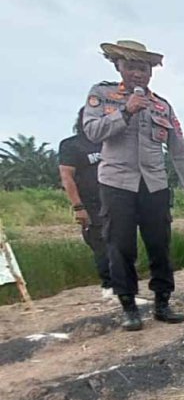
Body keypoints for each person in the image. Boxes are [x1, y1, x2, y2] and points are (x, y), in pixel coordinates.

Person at [83, 40, 184, 331]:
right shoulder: (102, 95)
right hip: (116, 184)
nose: (138, 73)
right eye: (131, 67)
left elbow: (179, 151)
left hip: (154, 185)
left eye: (143, 68)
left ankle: (162, 302)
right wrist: (125, 112)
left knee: (160, 245)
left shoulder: (162, 106)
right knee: (120, 246)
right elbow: (91, 132)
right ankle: (129, 307)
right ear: (118, 67)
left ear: (151, 72)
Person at [58, 107, 112, 299]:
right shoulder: (72, 145)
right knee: (100, 243)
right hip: (91, 203)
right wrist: (78, 207)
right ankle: (109, 286)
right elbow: (67, 177)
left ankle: (124, 284)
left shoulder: (111, 142)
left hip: (115, 199)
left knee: (121, 243)